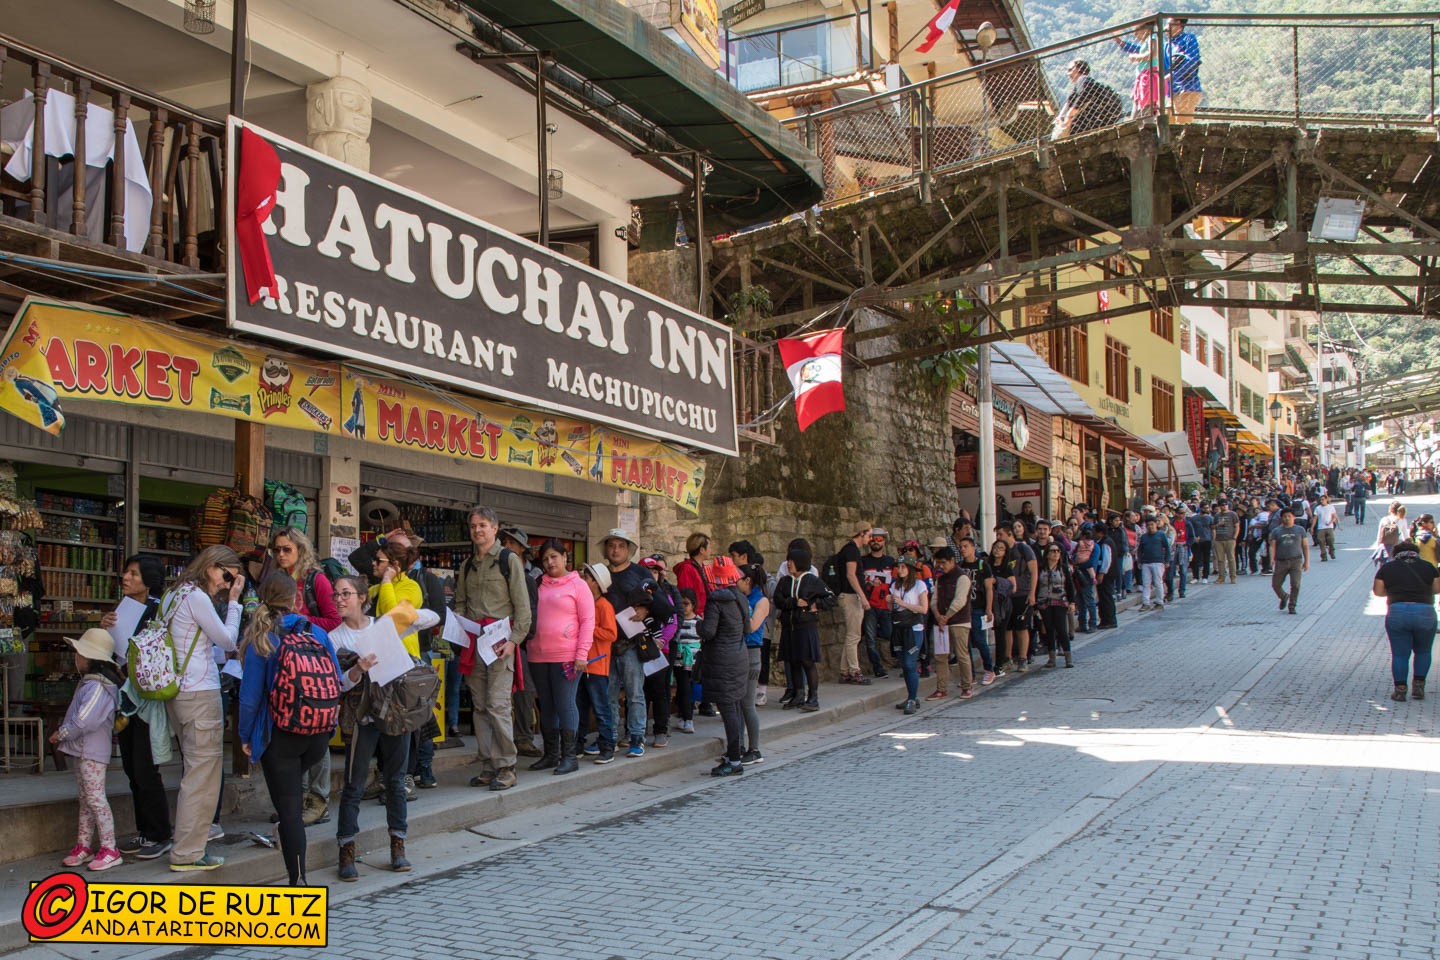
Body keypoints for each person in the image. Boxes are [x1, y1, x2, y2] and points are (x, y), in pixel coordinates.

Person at [330, 576, 438, 880]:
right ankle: (346, 849)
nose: (339, 599)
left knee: (395, 781)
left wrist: (402, 615)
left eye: (346, 594)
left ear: (362, 598)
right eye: (336, 594)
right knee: (354, 784)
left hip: (395, 714)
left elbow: (433, 617)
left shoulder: (383, 625)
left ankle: (398, 846)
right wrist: (357, 669)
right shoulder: (334, 637)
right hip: (361, 716)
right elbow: (338, 684)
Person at [238, 573, 342, 886]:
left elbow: (249, 698)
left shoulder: (262, 637)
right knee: (293, 799)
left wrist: (245, 736)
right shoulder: (317, 633)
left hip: (280, 735)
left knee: (290, 810)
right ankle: (292, 858)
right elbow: (336, 680)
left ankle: (298, 881)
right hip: (318, 735)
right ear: (295, 600)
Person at [163, 545, 245, 872]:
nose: (227, 583)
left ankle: (187, 845)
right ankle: (188, 852)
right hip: (199, 691)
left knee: (194, 771)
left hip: (178, 692)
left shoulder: (173, 594)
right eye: (227, 575)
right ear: (211, 566)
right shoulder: (196, 597)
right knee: (202, 776)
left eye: (233, 580)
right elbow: (227, 640)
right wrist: (235, 603)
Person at [456, 506, 533, 791]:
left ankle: (506, 766)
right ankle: (488, 765)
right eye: (473, 525)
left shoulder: (508, 560)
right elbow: (461, 603)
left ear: (495, 528)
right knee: (479, 706)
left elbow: (522, 606)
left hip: (501, 644)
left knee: (497, 704)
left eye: (482, 525)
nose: (477, 530)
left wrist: (514, 641)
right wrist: (461, 625)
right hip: (475, 644)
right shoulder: (467, 565)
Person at [269, 526, 340, 825]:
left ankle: (318, 799)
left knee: (316, 728)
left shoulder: (315, 580)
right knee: (291, 731)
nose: (281, 554)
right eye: (276, 549)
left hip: (313, 664)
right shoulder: (276, 578)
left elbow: (334, 620)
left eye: (287, 549)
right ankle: (294, 800)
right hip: (284, 665)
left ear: (301, 549)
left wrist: (300, 621)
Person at [104, 555, 171, 861]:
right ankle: (145, 831)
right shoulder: (122, 608)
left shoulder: (159, 611)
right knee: (131, 768)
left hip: (147, 699)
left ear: (148, 579)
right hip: (124, 695)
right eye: (126, 572)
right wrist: (105, 629)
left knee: (146, 768)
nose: (126, 578)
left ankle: (160, 833)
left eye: (133, 573)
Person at [53, 628, 124, 871]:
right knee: (87, 799)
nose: (76, 657)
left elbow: (84, 721)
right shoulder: (92, 684)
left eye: (79, 653)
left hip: (91, 751)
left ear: (89, 658)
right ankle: (84, 845)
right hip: (84, 750)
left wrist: (62, 733)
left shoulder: (97, 687)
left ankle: (110, 848)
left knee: (94, 798)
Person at [528, 539, 592, 776]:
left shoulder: (578, 585)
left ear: (565, 557)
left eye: (554, 556)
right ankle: (551, 754)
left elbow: (588, 622)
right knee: (546, 704)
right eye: (545, 559)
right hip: (537, 654)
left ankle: (569, 756)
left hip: (567, 656)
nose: (550, 562)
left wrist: (582, 654)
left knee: (565, 703)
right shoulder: (537, 584)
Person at [599, 528, 656, 758]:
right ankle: (610, 737)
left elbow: (659, 599)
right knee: (609, 694)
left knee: (635, 693)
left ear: (628, 550)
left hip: (631, 642)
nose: (615, 550)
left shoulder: (641, 573)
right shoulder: (600, 573)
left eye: (621, 546)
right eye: (611, 545)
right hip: (606, 643)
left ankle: (637, 737)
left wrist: (646, 609)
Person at [1373, 541, 1440, 702]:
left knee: (1400, 654)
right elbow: (1437, 589)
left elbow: (1378, 592)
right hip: (1425, 612)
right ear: (1416, 552)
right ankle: (1419, 686)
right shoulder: (1428, 567)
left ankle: (1400, 690)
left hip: (1398, 612)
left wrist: (1394, 591)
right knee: (1423, 651)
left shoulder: (1387, 568)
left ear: (1395, 553)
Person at [697, 578, 750, 776]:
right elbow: (747, 629)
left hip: (722, 661)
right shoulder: (740, 598)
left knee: (728, 711)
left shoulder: (715, 601)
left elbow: (708, 631)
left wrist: (698, 624)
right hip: (739, 657)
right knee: (734, 708)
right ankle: (735, 754)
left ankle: (734, 760)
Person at [499, 527, 542, 762]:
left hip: (520, 642)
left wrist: (519, 639)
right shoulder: (496, 573)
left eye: (512, 544)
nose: (507, 547)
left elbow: (531, 615)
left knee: (523, 691)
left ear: (522, 550)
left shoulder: (527, 579)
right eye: (504, 542)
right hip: (495, 640)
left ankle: (524, 736)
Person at [772, 539, 827, 713]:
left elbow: (829, 597)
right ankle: (798, 695)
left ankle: (813, 697)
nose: (788, 564)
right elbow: (778, 599)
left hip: (805, 626)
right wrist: (794, 603)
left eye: (791, 561)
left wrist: (814, 604)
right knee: (793, 661)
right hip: (790, 626)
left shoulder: (811, 580)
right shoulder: (785, 581)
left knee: (807, 661)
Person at [575, 563, 618, 762]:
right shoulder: (588, 604)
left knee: (601, 709)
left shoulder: (604, 605)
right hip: (583, 664)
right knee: (580, 708)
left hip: (596, 665)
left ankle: (607, 746)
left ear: (596, 582)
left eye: (587, 577)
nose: (583, 580)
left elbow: (611, 634)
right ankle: (578, 744)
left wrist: (588, 627)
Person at [928, 547, 973, 700]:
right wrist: (938, 616)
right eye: (938, 563)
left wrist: (945, 617)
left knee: (962, 655)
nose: (941, 566)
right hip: (942, 622)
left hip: (959, 622)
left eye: (943, 563)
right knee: (940, 657)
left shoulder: (962, 578)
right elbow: (934, 599)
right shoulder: (940, 578)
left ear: (952, 561)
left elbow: (959, 601)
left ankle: (967, 686)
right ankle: (941, 688)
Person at [889, 557, 930, 715]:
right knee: (903, 663)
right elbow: (892, 608)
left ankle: (912, 698)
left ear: (910, 569)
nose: (900, 570)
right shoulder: (895, 585)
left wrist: (903, 603)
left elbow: (924, 609)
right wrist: (890, 601)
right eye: (898, 567)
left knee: (909, 662)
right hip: (899, 627)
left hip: (914, 628)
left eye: (903, 567)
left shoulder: (919, 585)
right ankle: (911, 696)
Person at [993, 525, 1036, 672]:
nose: (998, 538)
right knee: (1007, 628)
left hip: (1022, 593)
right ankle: (1008, 658)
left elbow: (1034, 570)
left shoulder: (1023, 549)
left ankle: (1023, 658)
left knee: (1021, 627)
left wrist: (1032, 593)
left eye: (1000, 534)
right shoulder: (1001, 552)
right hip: (1006, 596)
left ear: (1009, 533)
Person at [835, 523, 873, 686]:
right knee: (854, 636)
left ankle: (844, 671)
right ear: (861, 533)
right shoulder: (851, 550)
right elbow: (851, 575)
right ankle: (854, 671)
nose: (870, 539)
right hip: (850, 596)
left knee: (852, 635)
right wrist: (863, 596)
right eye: (869, 535)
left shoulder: (850, 550)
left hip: (850, 595)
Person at [956, 537, 997, 683]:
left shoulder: (982, 565)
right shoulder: (959, 566)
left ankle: (989, 669)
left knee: (979, 640)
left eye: (965, 546)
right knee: (965, 643)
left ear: (973, 548)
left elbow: (989, 588)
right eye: (961, 547)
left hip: (978, 607)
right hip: (963, 609)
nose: (963, 549)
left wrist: (989, 608)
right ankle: (970, 675)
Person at [859, 529, 897, 679]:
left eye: (879, 539)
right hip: (870, 605)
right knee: (870, 638)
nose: (876, 542)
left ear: (884, 541)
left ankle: (887, 659)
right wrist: (869, 585)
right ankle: (878, 668)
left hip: (885, 605)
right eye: (873, 539)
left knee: (888, 633)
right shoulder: (863, 561)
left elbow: (895, 582)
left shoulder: (890, 561)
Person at [1054, 59, 1124, 138]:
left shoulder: (1083, 79)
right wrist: (1061, 117)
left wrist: (1069, 116)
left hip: (1095, 119)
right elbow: (1070, 101)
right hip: (1100, 119)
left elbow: (1083, 95)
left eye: (1070, 69)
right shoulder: (1079, 84)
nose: (1068, 73)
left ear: (1078, 68)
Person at [1036, 544, 1077, 668]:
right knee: (1049, 630)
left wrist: (1072, 602)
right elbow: (1036, 585)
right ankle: (1051, 658)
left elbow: (1070, 586)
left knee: (1061, 629)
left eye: (1058, 551)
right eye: (1053, 551)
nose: (1056, 553)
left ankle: (1068, 658)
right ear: (1047, 554)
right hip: (1044, 601)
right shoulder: (1040, 569)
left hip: (1060, 601)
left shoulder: (1063, 568)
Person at [1269, 507, 1311, 615]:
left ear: (1294, 517)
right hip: (1281, 561)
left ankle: (1292, 605)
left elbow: (1305, 546)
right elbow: (1273, 546)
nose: (1287, 518)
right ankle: (1284, 596)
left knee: (1295, 584)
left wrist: (1307, 561)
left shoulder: (1300, 530)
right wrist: (1271, 559)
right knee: (1276, 584)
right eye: (1284, 516)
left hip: (1296, 561)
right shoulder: (1276, 531)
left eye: (1289, 516)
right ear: (1281, 518)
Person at [1165, 17, 1203, 122]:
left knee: (1183, 123)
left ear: (1178, 24)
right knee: (1167, 121)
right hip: (1172, 91)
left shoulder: (1188, 39)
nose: (1165, 28)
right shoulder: (1167, 46)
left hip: (1187, 87)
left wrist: (1173, 75)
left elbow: (1192, 61)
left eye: (1168, 24)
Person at [1137, 518, 1168, 612]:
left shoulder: (1161, 535)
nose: (1150, 527)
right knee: (1146, 583)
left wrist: (1167, 561)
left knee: (1158, 582)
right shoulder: (1144, 537)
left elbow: (1167, 548)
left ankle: (1159, 601)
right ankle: (1145, 603)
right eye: (1148, 525)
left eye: (1152, 524)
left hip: (1158, 562)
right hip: (1146, 562)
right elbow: (1140, 550)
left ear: (1156, 524)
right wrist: (1140, 561)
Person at [1212, 499, 1239, 583]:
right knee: (1220, 559)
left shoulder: (1233, 514)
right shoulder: (1217, 515)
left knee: (1231, 559)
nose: (1224, 506)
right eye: (1222, 505)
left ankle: (1233, 577)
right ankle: (1221, 577)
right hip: (1219, 539)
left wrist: (1235, 537)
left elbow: (1237, 526)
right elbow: (1213, 527)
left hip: (1230, 539)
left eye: (1225, 504)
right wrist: (1218, 524)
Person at [1313, 494, 1339, 561]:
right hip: (1321, 527)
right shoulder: (1318, 508)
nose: (1321, 501)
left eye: (1323, 500)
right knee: (1321, 542)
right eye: (1320, 500)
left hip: (1329, 527)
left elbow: (1334, 516)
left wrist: (1330, 522)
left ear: (1326, 500)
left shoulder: (1331, 507)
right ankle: (1323, 556)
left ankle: (1331, 551)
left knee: (1331, 540)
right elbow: (1315, 518)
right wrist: (1312, 527)